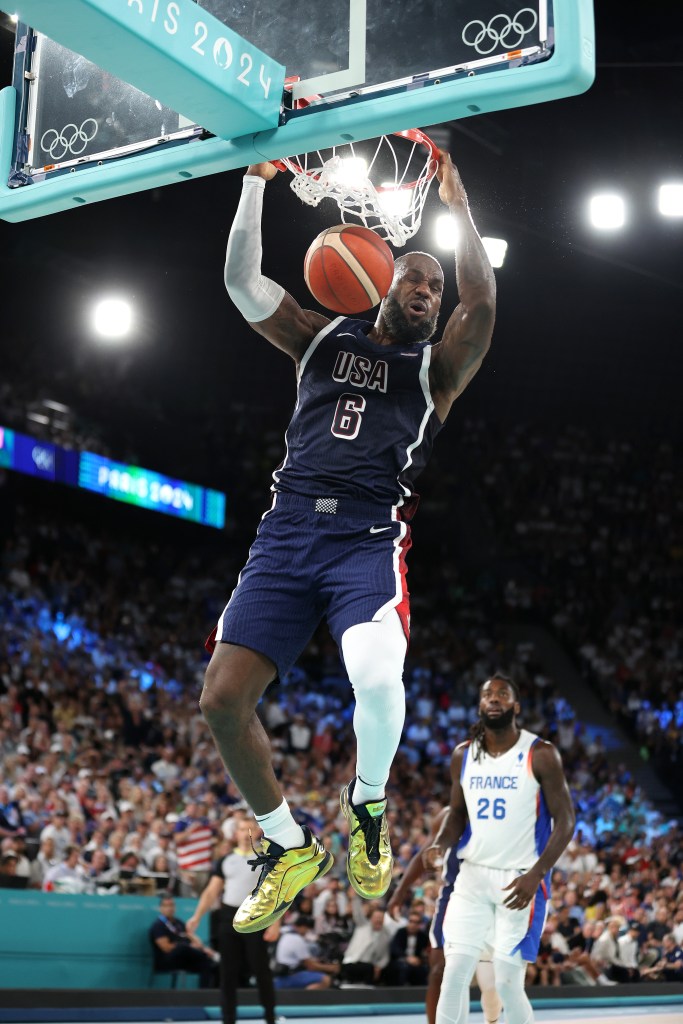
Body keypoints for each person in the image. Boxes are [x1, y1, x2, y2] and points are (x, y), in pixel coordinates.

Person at [200, 150, 496, 935]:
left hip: (365, 536)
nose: (429, 294)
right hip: (287, 531)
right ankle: (288, 845)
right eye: (416, 280)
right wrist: (254, 183)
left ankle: (367, 806)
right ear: (382, 280)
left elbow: (485, 302)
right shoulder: (318, 337)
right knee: (221, 701)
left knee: (374, 671)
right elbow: (239, 284)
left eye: (436, 287)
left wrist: (460, 209)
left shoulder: (438, 370)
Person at [424, 674, 575, 1024]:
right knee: (454, 972)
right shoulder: (463, 756)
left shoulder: (541, 754)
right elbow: (457, 815)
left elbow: (566, 822)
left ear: (515, 706)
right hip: (472, 876)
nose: (494, 699)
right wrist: (439, 845)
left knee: (507, 983)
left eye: (502, 694)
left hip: (520, 879)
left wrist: (536, 874)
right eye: (487, 694)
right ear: (480, 705)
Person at [388, 807, 502, 1024]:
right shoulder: (447, 816)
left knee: (491, 985)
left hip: (490, 899)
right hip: (453, 898)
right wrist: (400, 891)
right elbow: (424, 855)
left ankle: (493, 1019)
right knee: (441, 970)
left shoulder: (497, 811)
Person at [186, 819, 278, 1024]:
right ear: (235, 833)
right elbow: (211, 892)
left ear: (258, 832)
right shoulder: (225, 861)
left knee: (261, 970)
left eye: (251, 828)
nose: (246, 833)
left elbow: (276, 894)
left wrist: (276, 923)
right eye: (242, 829)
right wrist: (197, 916)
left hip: (256, 918)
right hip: (228, 918)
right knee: (227, 972)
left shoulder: (267, 860)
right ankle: (228, 1019)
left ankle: (270, 1017)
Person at [149, 893, 218, 988]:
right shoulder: (158, 926)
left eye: (172, 905)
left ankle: (205, 995)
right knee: (183, 947)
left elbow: (193, 939)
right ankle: (207, 955)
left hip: (184, 959)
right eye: (166, 905)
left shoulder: (179, 923)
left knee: (207, 964)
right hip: (166, 960)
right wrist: (187, 946)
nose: (169, 908)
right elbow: (166, 948)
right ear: (161, 908)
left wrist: (202, 948)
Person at [273, 914, 340, 990]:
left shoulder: (285, 934)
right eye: (307, 929)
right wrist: (331, 968)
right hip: (288, 977)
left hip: (279, 976)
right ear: (302, 927)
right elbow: (311, 966)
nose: (307, 932)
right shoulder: (296, 939)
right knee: (325, 979)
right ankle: (304, 999)